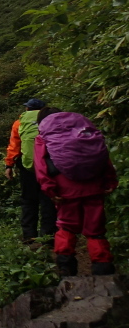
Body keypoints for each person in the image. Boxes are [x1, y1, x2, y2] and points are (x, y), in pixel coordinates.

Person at [34, 111, 119, 276]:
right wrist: (110, 180)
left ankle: (66, 267)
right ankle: (103, 267)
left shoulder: (43, 137)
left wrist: (49, 189)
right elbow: (102, 155)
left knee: (67, 225)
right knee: (96, 228)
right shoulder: (85, 131)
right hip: (94, 185)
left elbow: (41, 166)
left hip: (65, 189)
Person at [4, 99, 57, 243]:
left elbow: (14, 146)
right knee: (48, 201)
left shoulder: (19, 123)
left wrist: (9, 165)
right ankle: (49, 237)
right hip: (49, 166)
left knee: (28, 200)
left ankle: (29, 236)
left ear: (27, 109)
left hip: (28, 167)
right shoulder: (51, 120)